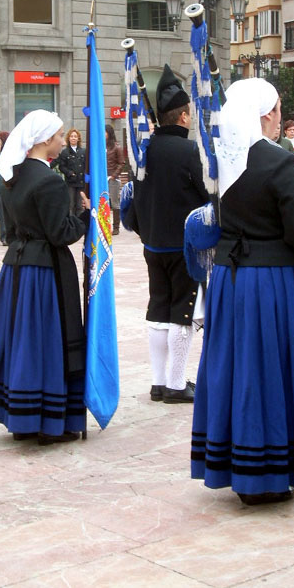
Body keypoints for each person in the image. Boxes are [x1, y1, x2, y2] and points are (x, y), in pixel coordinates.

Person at [191, 78, 294, 505]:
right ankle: (268, 474)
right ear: (266, 114)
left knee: (237, 368)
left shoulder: (219, 159)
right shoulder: (278, 160)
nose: (279, 117)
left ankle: (236, 464)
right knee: (271, 370)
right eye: (278, 110)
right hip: (272, 281)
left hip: (230, 280)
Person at [0, 110, 90, 445]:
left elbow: (11, 231)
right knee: (44, 341)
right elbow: (60, 233)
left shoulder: (13, 176)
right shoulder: (49, 180)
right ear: (45, 139)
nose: (63, 141)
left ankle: (23, 417)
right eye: (59, 135)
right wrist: (86, 217)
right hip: (44, 272)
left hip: (16, 267)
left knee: (22, 339)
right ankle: (46, 420)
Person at [125, 64, 209, 404]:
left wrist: (146, 231)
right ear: (184, 116)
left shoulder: (143, 151)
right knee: (182, 312)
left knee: (158, 309)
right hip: (183, 247)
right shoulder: (190, 151)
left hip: (152, 244)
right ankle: (175, 385)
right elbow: (207, 195)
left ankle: (158, 382)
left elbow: (134, 199)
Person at [57, 128, 87, 216]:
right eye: (71, 136)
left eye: (75, 136)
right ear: (69, 138)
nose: (73, 138)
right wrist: (69, 173)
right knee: (71, 205)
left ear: (78, 139)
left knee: (79, 206)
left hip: (81, 182)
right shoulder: (65, 152)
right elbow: (61, 166)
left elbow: (86, 165)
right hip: (70, 182)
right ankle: (71, 222)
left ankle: (79, 222)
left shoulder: (83, 151)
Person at [105, 124, 124, 235]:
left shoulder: (116, 147)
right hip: (103, 178)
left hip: (113, 179)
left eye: (105, 132)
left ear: (109, 133)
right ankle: (105, 225)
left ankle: (116, 227)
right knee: (104, 202)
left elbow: (121, 163)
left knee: (115, 203)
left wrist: (114, 176)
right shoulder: (101, 146)